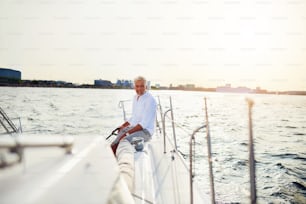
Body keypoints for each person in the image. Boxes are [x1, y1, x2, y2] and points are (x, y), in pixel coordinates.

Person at [111, 76, 157, 155]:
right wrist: (123, 126)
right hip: (135, 128)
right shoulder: (135, 97)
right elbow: (134, 118)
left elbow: (143, 124)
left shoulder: (150, 100)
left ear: (146, 86)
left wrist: (127, 133)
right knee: (115, 142)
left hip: (145, 132)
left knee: (123, 140)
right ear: (134, 87)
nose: (139, 88)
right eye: (137, 86)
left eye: (142, 86)